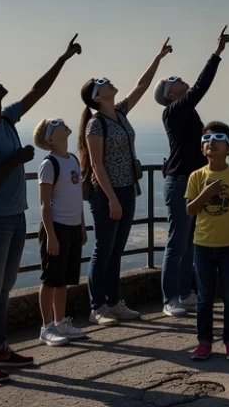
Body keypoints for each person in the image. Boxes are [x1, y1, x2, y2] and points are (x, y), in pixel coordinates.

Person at [0, 33, 82, 384]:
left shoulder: (6, 119)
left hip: (13, 216)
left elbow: (37, 90)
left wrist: (63, 57)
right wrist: (15, 160)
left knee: (5, 286)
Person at [79, 39, 171, 327]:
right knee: (103, 249)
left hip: (127, 188)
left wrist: (158, 57)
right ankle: (98, 307)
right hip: (107, 193)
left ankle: (113, 302)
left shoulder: (119, 113)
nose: (109, 83)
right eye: (103, 82)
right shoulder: (96, 124)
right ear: (96, 96)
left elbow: (141, 86)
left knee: (116, 249)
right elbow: (96, 165)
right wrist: (112, 198)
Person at [156, 27, 229, 317]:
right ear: (170, 93)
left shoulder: (185, 112)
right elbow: (201, 86)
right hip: (179, 182)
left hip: (191, 181)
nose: (180, 80)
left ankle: (185, 292)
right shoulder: (174, 110)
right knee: (177, 242)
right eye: (173, 80)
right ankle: (169, 297)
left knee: (188, 241)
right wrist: (217, 54)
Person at [186, 122, 229, 362]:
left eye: (218, 138)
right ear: (202, 148)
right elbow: (190, 210)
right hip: (202, 246)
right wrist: (205, 194)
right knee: (204, 297)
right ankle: (204, 342)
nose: (211, 142)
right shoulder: (197, 176)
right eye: (206, 139)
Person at [33, 118, 88, 347]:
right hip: (56, 227)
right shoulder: (49, 164)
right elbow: (45, 203)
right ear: (50, 139)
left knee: (64, 279)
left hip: (73, 226)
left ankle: (61, 321)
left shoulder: (73, 159)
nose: (63, 122)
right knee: (50, 279)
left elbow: (77, 197)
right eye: (56, 124)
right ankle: (47, 327)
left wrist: (82, 226)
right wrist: (51, 235)